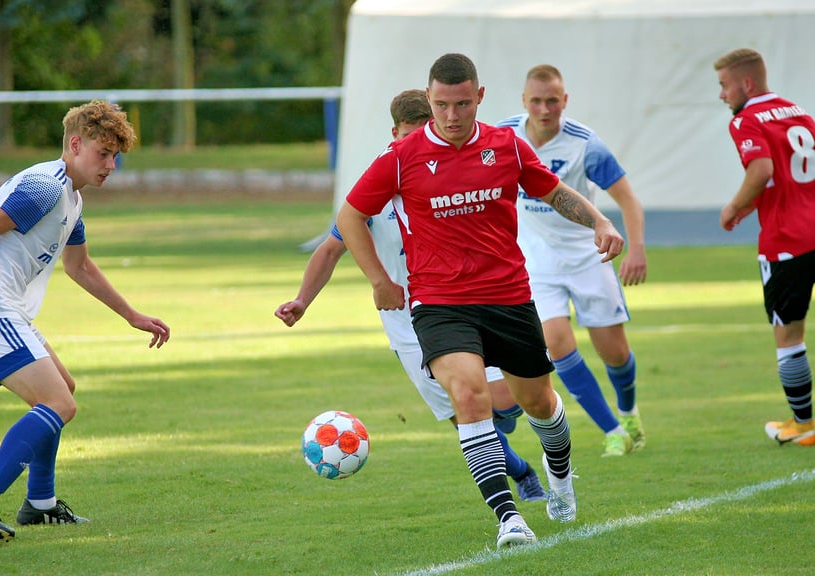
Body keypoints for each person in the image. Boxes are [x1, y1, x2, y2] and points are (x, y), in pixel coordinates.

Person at [337, 53, 624, 549]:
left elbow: (553, 191)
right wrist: (380, 281)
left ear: (480, 98)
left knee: (539, 403)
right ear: (429, 100)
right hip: (439, 302)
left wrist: (599, 221)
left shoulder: (506, 145)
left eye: (462, 104)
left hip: (508, 297)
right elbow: (348, 217)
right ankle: (509, 518)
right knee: (469, 398)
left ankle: (559, 478)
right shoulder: (400, 158)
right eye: (443, 105)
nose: (452, 116)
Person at [275, 89, 546, 502]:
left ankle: (509, 427)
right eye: (409, 134)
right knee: (466, 417)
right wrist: (302, 300)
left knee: (501, 401)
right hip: (407, 323)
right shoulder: (378, 184)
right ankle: (522, 473)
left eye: (426, 132)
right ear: (393, 133)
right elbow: (332, 247)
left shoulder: (450, 171)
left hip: (464, 306)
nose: (421, 144)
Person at [0, 100, 171, 541]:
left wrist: (132, 315)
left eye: (116, 157)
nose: (111, 165)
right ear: (75, 144)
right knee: (60, 404)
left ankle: (40, 504)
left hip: (5, 306)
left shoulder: (71, 198)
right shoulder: (46, 186)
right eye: (103, 153)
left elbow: (80, 267)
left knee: (64, 390)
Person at [497, 65, 647, 457]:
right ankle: (613, 430)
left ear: (565, 101)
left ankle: (628, 409)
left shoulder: (585, 144)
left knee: (614, 353)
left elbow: (627, 198)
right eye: (536, 100)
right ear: (523, 101)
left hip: (588, 256)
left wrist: (636, 249)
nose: (544, 109)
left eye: (552, 100)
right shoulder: (503, 137)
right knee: (556, 343)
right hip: (535, 264)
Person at [714, 48, 815, 446]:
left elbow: (763, 170)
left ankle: (804, 424)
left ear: (746, 84)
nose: (722, 95)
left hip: (787, 242)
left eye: (724, 85)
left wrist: (733, 207)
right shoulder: (800, 113)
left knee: (789, 335)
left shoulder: (746, 120)